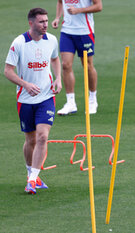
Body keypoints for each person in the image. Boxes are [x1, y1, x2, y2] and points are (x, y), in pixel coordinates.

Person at [4, 8, 62, 194]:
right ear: (31, 23)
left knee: (43, 136)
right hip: (25, 98)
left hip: (46, 96)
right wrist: (25, 84)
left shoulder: (51, 40)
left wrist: (58, 78)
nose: (45, 24)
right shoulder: (19, 43)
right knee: (30, 140)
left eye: (46, 21)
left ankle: (32, 179)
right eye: (41, 22)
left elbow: (55, 59)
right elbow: (8, 71)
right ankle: (31, 173)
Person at [51, 0, 102, 115]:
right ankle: (70, 103)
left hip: (85, 32)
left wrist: (78, 10)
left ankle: (93, 99)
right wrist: (57, 18)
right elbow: (60, 2)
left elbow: (98, 6)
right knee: (65, 65)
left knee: (87, 65)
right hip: (67, 31)